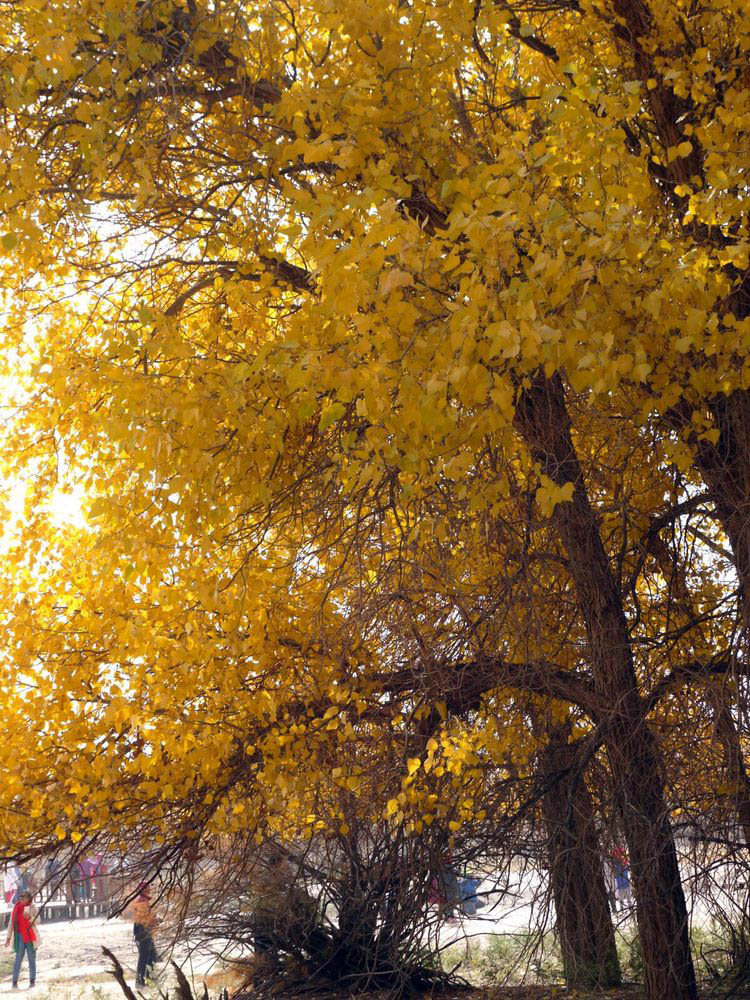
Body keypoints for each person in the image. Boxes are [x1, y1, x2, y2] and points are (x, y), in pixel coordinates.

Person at [5, 889, 41, 989]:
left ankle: (32, 981)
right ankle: (14, 982)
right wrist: (8, 937)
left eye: (23, 897)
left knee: (31, 960)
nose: (21, 899)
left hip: (30, 937)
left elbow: (38, 921)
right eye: (20, 897)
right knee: (18, 959)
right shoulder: (16, 907)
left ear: (29, 898)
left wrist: (29, 917)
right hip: (19, 936)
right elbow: (11, 923)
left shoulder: (33, 907)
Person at [129, 885, 159, 988]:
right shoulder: (142, 903)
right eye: (147, 889)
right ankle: (141, 981)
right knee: (146, 957)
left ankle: (149, 980)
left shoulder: (142, 901)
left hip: (142, 930)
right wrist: (155, 920)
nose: (149, 890)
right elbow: (146, 918)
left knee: (150, 956)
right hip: (143, 930)